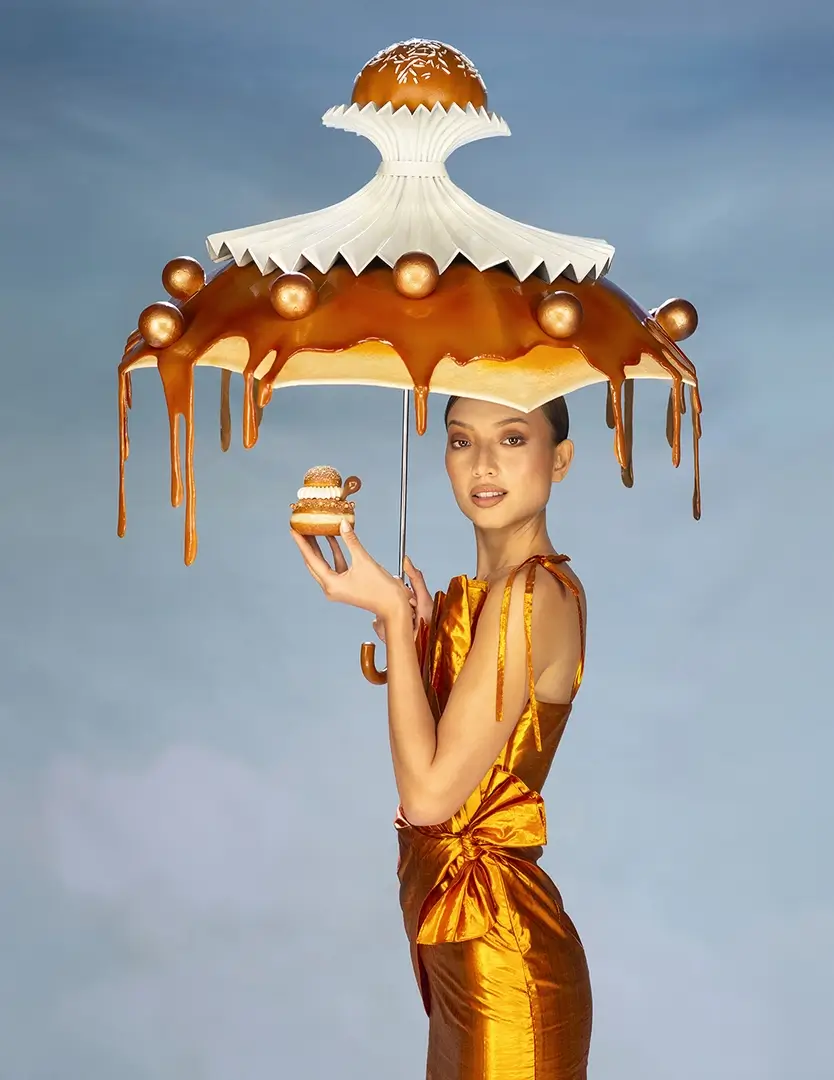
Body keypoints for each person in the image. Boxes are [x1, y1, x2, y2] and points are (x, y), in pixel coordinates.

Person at [292, 394, 592, 1080]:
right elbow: (457, 766)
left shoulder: (530, 594)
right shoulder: (489, 596)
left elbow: (429, 798)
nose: (483, 462)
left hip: (504, 955)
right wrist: (423, 638)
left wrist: (397, 623)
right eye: (461, 440)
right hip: (467, 951)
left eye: (513, 439)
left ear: (561, 459)